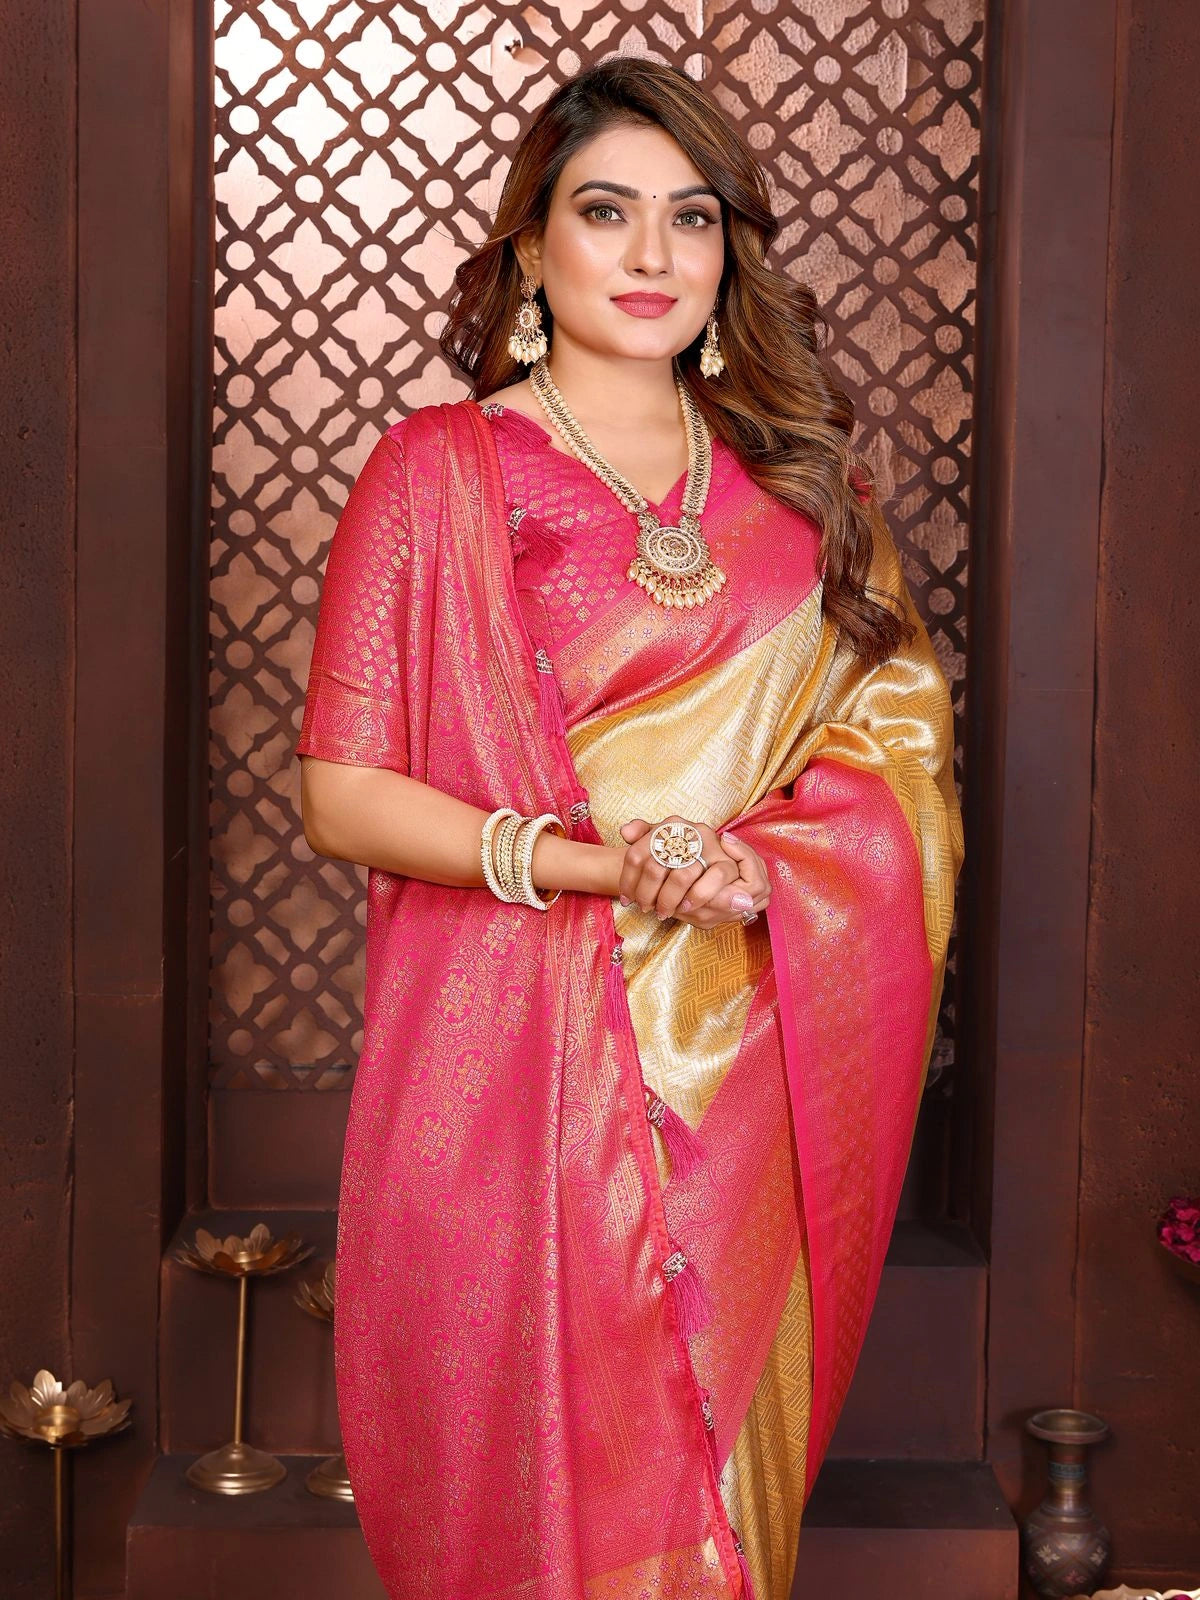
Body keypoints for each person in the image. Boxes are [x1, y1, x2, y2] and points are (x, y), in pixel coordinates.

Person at [295, 54, 963, 1600]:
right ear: (533, 246)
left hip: (744, 1071)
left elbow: (893, 748)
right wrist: (610, 865)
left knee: (715, 1510)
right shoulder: (436, 476)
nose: (656, 256)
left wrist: (765, 866)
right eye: (608, 214)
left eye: (693, 218)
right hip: (506, 1081)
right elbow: (343, 793)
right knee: (528, 1506)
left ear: (731, 251)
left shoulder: (805, 491)